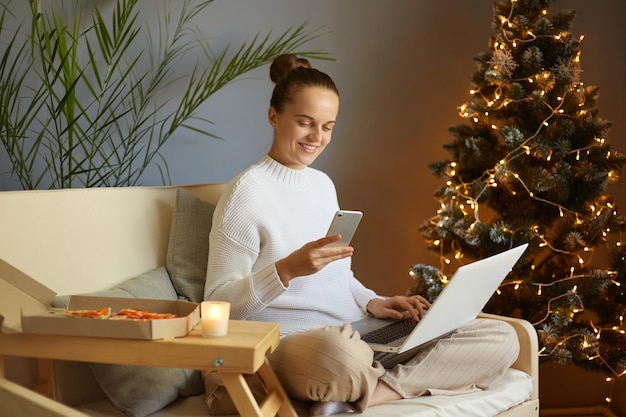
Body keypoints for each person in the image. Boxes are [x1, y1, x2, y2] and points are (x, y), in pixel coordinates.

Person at [203, 54, 519, 415]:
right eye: (305, 123)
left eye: (327, 126)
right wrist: (286, 270)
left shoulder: (322, 185)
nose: (316, 137)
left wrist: (373, 302)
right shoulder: (245, 193)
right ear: (274, 116)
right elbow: (218, 305)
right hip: (294, 345)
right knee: (338, 353)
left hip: (353, 334)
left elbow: (338, 274)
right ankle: (366, 380)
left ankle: (377, 393)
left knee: (500, 336)